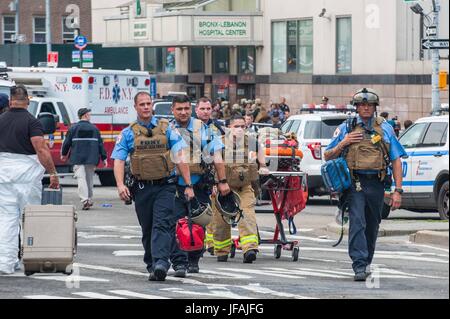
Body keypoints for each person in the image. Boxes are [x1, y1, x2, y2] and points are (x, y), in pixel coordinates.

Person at [324, 88, 406, 282]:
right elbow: (327, 155)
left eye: (369, 105)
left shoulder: (385, 128)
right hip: (355, 184)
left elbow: (396, 161)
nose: (366, 108)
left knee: (372, 225)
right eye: (362, 105)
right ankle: (359, 265)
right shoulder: (346, 128)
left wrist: (398, 191)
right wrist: (343, 142)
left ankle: (366, 261)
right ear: (357, 108)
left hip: (377, 184)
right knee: (358, 222)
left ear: (375, 108)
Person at [111, 92, 192, 282]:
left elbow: (180, 157)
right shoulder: (128, 133)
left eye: (148, 104)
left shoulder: (167, 129)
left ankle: (161, 263)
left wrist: (188, 185)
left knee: (162, 224)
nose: (146, 107)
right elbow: (119, 160)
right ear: (135, 107)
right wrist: (120, 184)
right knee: (147, 228)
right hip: (141, 188)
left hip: (165, 186)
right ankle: (152, 265)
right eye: (142, 104)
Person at [0, 85, 59, 275]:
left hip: (3, 175)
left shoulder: (0, 120)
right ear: (27, 100)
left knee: (6, 219)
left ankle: (5, 263)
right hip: (27, 177)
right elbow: (41, 150)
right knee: (30, 219)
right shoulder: (32, 122)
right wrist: (53, 173)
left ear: (10, 101)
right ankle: (31, 261)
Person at [169, 95, 231, 274]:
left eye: (186, 108)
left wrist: (222, 181)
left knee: (199, 223)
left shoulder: (202, 129)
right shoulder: (167, 129)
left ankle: (194, 259)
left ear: (191, 109)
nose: (183, 112)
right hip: (173, 186)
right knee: (177, 224)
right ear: (172, 110)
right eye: (179, 109)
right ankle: (179, 261)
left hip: (199, 184)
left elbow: (217, 155)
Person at [212, 114, 269, 263]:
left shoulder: (250, 142)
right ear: (228, 128)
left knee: (247, 215)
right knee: (221, 221)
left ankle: (249, 249)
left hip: (245, 187)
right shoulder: (219, 143)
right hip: (224, 188)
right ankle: (221, 250)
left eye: (243, 126)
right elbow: (212, 164)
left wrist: (263, 165)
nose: (240, 129)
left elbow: (260, 149)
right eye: (236, 126)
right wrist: (214, 184)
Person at [195, 97, 226, 255]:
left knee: (205, 216)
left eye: (208, 109)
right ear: (196, 110)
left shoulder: (217, 128)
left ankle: (200, 249)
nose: (206, 112)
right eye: (203, 109)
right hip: (187, 178)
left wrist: (218, 181)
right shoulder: (188, 127)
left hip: (206, 179)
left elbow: (218, 156)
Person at [61, 108, 107, 210]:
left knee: (81, 178)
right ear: (86, 115)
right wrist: (104, 158)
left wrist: (64, 154)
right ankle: (89, 199)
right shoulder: (94, 129)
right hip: (91, 158)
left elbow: (67, 143)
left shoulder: (73, 129)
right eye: (89, 114)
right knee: (89, 179)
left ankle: (84, 200)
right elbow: (100, 144)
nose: (90, 116)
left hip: (77, 158)